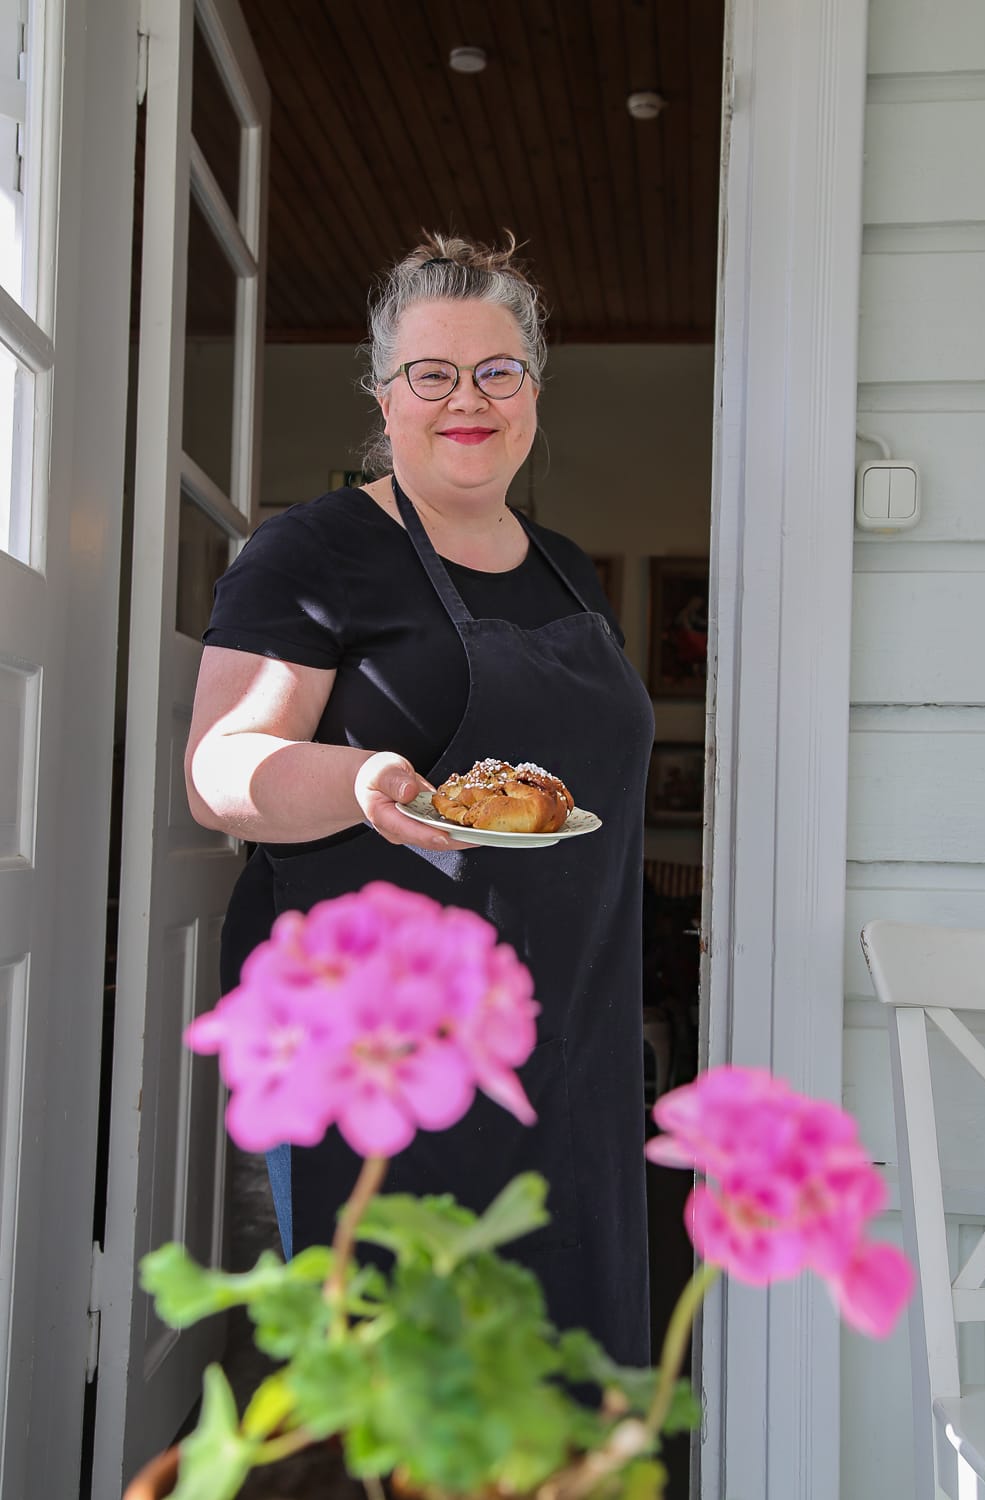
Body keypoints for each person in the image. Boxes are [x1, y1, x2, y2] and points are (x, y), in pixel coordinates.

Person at [185, 233, 655, 1366]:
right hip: (383, 1057)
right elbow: (218, 770)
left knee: (548, 1379)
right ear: (383, 393)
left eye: (498, 371)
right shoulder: (312, 551)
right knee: (402, 1385)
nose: (467, 401)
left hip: (566, 1045)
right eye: (430, 374)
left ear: (533, 387)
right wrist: (360, 778)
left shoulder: (564, 570)